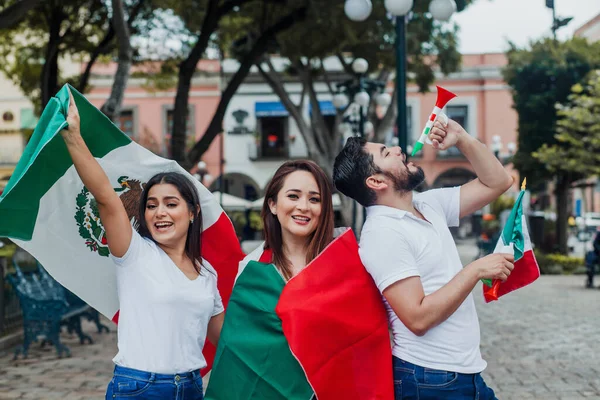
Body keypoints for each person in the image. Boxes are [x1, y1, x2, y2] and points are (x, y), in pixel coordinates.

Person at [333, 115, 514, 400]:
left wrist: (462, 138)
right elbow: (417, 318)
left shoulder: (427, 204)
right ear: (376, 180)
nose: (398, 150)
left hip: (461, 373)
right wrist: (475, 270)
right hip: (430, 379)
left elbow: (498, 182)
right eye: (386, 152)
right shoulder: (383, 233)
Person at [61, 89, 223, 400]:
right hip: (139, 388)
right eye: (151, 205)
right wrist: (73, 137)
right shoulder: (134, 253)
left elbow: (226, 339)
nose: (159, 212)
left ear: (192, 212)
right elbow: (107, 199)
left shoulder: (207, 273)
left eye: (171, 203)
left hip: (191, 387)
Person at [205, 160, 394, 399]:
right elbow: (237, 350)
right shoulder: (250, 269)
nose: (304, 207)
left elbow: (370, 339)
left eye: (314, 199)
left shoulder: (350, 263)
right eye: (293, 196)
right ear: (273, 204)